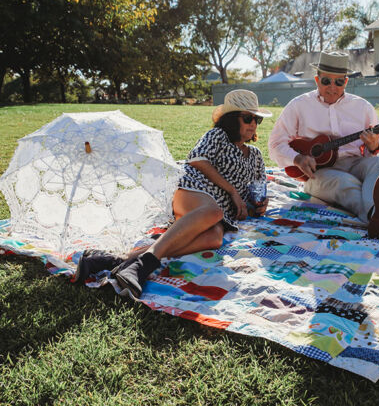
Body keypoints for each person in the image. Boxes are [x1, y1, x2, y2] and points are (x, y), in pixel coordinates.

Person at [74, 89, 271, 297]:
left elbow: (257, 189)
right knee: (213, 212)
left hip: (220, 210)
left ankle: (114, 261)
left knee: (214, 238)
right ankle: (144, 266)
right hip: (194, 187)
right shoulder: (218, 136)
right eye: (248, 118)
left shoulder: (256, 156)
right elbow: (196, 159)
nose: (253, 124)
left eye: (257, 120)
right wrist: (231, 191)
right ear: (232, 120)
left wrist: (259, 203)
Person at [268, 50, 379, 239]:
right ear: (317, 80)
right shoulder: (298, 106)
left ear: (346, 81)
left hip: (355, 164)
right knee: (346, 183)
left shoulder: (362, 107)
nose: (332, 87)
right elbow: (275, 144)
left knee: (378, 165)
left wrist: (373, 147)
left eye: (338, 81)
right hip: (316, 173)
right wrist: (297, 158)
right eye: (326, 81)